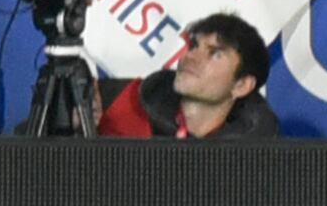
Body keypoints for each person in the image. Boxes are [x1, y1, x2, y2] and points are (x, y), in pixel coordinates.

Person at [96, 12, 279, 139]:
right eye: (193, 46)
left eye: (215, 54)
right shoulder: (121, 99)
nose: (191, 57)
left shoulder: (256, 162)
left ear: (241, 86)